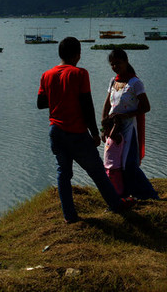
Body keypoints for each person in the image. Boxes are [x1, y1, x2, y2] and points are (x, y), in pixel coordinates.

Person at [38, 37, 131, 223]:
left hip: (55, 131)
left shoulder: (47, 75)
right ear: (77, 54)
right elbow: (87, 105)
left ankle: (70, 217)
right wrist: (95, 133)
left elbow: (41, 103)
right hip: (76, 132)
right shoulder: (80, 73)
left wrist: (59, 97)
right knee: (96, 171)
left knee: (63, 174)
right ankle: (116, 204)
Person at [101, 48, 159, 200]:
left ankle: (149, 195)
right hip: (115, 129)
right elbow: (107, 105)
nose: (115, 67)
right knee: (116, 165)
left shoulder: (135, 83)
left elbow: (146, 107)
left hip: (130, 128)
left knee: (129, 164)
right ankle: (124, 195)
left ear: (126, 62)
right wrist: (104, 126)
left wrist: (124, 115)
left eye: (118, 63)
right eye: (112, 64)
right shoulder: (113, 81)